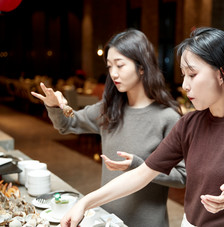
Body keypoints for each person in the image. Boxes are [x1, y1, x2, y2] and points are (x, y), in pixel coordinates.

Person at [60, 27, 224, 227]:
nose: (184, 85)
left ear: (221, 74)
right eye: (183, 75)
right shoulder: (189, 124)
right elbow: (142, 175)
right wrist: (85, 202)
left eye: (192, 74)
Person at [31, 29, 186, 227]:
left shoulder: (167, 117)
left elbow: (182, 177)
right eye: (110, 66)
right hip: (105, 220)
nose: (113, 73)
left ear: (142, 67)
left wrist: (140, 165)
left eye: (120, 65)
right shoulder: (109, 109)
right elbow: (67, 124)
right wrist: (54, 106)